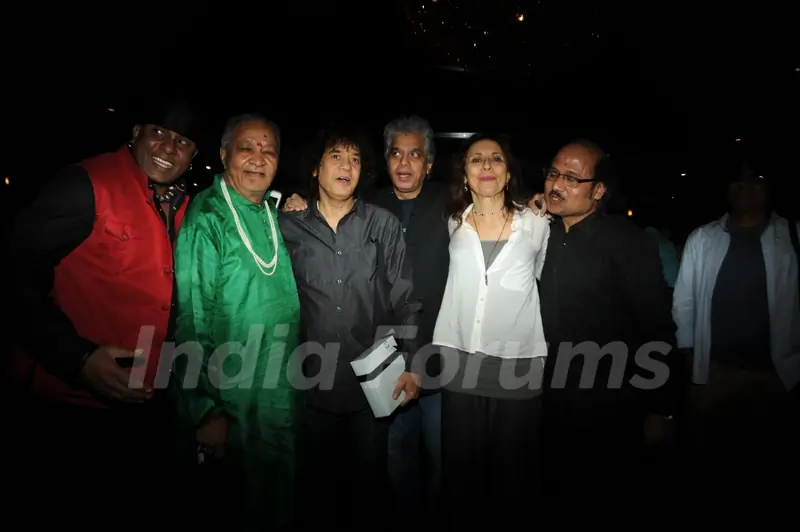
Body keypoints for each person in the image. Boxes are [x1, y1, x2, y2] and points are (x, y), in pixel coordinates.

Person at [5, 100, 201, 529]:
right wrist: (77, 359)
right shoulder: (86, 183)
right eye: (159, 132)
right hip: (69, 405)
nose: (169, 146)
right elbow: (13, 276)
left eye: (183, 141)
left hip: (146, 410)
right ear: (135, 133)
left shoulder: (186, 207)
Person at [279, 124, 422, 530]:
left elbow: (406, 299)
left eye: (356, 159)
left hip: (370, 387)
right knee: (314, 497)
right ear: (315, 167)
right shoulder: (287, 227)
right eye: (337, 156)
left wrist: (412, 363)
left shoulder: (383, 224)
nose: (347, 166)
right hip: (308, 388)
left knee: (368, 496)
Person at [170, 114, 302, 531]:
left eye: (269, 150)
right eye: (247, 148)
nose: (258, 158)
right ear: (225, 154)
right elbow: (190, 318)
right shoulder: (207, 219)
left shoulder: (270, 211)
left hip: (279, 394)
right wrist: (205, 410)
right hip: (232, 403)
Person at [536, 139, 679, 518]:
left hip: (608, 407)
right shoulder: (538, 234)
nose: (556, 185)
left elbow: (657, 327)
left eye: (571, 178)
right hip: (544, 402)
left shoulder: (628, 243)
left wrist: (660, 409)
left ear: (598, 190)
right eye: (553, 173)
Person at [432, 133, 549, 529]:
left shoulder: (536, 222)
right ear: (464, 174)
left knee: (513, 484)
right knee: (461, 480)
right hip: (459, 362)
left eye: (495, 158)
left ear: (508, 171)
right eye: (476, 159)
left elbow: (540, 275)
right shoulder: (453, 223)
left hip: (519, 368)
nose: (485, 165)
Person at [673, 158, 800, 519]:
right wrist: (690, 362)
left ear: (771, 187)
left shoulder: (791, 237)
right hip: (715, 374)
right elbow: (684, 301)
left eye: (757, 179)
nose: (746, 187)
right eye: (738, 181)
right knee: (711, 471)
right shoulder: (704, 237)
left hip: (778, 376)